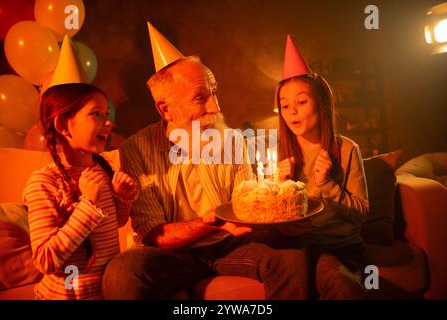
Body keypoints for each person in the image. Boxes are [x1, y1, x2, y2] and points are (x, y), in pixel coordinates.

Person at [102, 23, 309, 300]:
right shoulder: (136, 149)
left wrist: (274, 208)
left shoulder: (233, 140)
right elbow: (153, 232)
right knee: (122, 272)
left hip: (230, 245)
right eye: (201, 98)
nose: (216, 107)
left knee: (291, 255)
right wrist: (208, 223)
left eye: (214, 93)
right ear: (165, 109)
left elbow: (243, 208)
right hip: (172, 255)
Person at [23, 36, 138, 299]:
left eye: (106, 114)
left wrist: (124, 199)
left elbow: (115, 223)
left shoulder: (103, 169)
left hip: (107, 293)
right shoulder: (44, 182)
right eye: (95, 114)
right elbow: (44, 260)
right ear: (64, 125)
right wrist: (88, 204)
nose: (107, 123)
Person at [275, 35, 370, 299]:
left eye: (301, 102)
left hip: (338, 248)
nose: (292, 111)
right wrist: (279, 187)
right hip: (296, 248)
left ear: (322, 103)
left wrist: (328, 184)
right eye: (285, 105)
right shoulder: (282, 154)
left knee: (342, 286)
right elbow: (277, 222)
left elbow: (361, 213)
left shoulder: (347, 149)